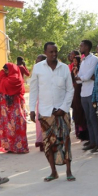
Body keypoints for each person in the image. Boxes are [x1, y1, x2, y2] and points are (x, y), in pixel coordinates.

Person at [29, 42, 75, 182]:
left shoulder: (64, 68)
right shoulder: (37, 68)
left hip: (62, 112)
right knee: (48, 144)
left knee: (65, 141)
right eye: (51, 52)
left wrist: (64, 108)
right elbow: (34, 90)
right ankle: (53, 172)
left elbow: (70, 90)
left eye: (56, 51)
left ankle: (68, 171)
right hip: (45, 113)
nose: (54, 54)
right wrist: (31, 109)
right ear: (45, 52)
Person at [0, 63, 29, 154]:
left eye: (7, 70)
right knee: (6, 126)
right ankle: (9, 147)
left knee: (17, 125)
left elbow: (5, 84)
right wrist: (3, 73)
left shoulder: (15, 78)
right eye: (4, 70)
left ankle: (19, 147)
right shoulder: (4, 78)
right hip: (5, 107)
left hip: (15, 106)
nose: (5, 72)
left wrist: (2, 75)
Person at [76, 40, 98, 151]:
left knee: (93, 118)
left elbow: (86, 77)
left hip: (92, 92)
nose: (80, 47)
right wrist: (81, 78)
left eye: (81, 45)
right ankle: (92, 141)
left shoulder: (94, 59)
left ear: (86, 47)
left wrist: (81, 78)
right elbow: (79, 78)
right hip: (83, 93)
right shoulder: (83, 60)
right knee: (88, 118)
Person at [69, 52, 89, 141]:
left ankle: (84, 132)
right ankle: (79, 132)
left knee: (81, 111)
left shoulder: (80, 69)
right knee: (76, 110)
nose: (75, 63)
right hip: (75, 91)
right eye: (73, 61)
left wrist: (76, 74)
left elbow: (80, 80)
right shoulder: (73, 69)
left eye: (76, 61)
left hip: (80, 90)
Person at [33, 54, 47, 151]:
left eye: (39, 60)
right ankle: (42, 141)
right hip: (40, 99)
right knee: (40, 121)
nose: (37, 62)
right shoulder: (36, 71)